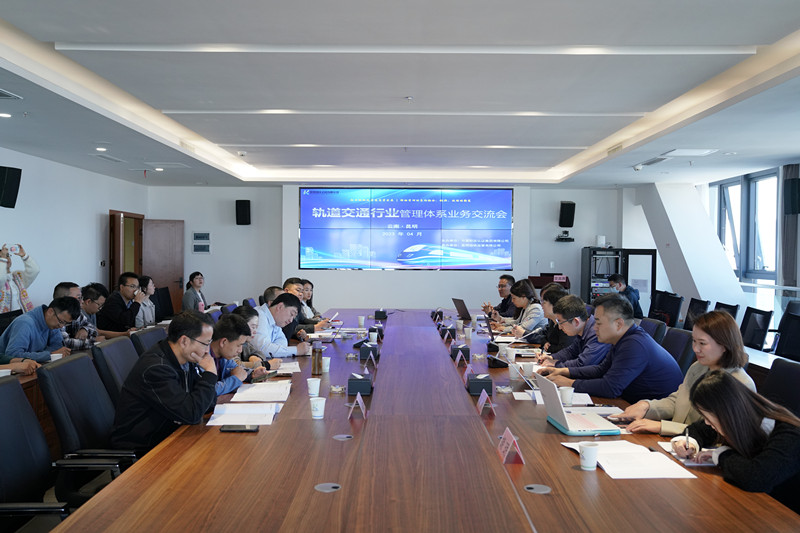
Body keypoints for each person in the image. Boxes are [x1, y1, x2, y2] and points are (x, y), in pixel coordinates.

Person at [672, 370, 800, 514]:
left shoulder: (790, 435)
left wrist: (721, 454)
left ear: (726, 411)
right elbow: (698, 429)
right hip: (753, 507)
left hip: (784, 515)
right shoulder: (740, 420)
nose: (706, 422)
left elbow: (756, 477)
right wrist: (687, 442)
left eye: (708, 417)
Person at [616, 311, 756, 435]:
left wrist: (662, 427)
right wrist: (647, 406)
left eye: (702, 343)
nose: (695, 349)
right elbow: (677, 401)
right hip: (676, 444)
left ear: (724, 345)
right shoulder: (698, 368)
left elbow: (716, 434)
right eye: (694, 341)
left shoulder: (741, 383)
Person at [539, 294, 683, 403]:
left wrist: (570, 383)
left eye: (598, 323)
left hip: (652, 414)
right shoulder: (622, 339)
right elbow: (600, 370)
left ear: (619, 324)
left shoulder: (634, 344)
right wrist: (562, 371)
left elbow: (610, 388)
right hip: (632, 403)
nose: (594, 328)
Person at [110, 311, 218, 454]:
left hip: (169, 437)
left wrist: (207, 378)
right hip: (143, 451)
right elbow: (191, 413)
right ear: (184, 341)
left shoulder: (185, 359)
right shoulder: (156, 369)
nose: (207, 351)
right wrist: (210, 374)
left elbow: (208, 403)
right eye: (205, 344)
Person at [538, 294, 610, 369]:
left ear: (576, 322)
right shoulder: (582, 330)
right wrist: (551, 357)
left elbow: (583, 364)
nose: (559, 327)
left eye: (561, 322)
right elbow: (570, 352)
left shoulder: (596, 333)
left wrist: (556, 364)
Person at [0, 296, 80, 363]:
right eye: (61, 322)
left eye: (66, 324)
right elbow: (13, 355)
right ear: (50, 312)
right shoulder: (25, 323)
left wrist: (44, 354)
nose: (61, 326)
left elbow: (57, 346)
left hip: (32, 365)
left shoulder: (53, 322)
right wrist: (48, 355)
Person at [210, 314, 269, 396]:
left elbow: (236, 370)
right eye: (238, 345)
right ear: (223, 342)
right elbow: (208, 391)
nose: (240, 350)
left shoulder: (224, 356)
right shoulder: (202, 358)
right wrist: (235, 379)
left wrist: (252, 374)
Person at [252, 292, 309, 358]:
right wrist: (296, 350)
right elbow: (262, 350)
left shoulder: (275, 319)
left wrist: (274, 349)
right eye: (291, 314)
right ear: (280, 307)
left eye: (293, 317)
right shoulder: (259, 316)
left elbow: (282, 341)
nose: (291, 320)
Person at [525, 285, 576, 353]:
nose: (541, 305)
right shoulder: (552, 321)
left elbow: (564, 350)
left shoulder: (566, 322)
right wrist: (545, 342)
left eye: (544, 302)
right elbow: (543, 336)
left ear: (555, 304)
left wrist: (549, 348)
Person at [231, 305, 281, 371]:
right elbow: (235, 365)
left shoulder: (245, 342)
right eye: (253, 327)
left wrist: (253, 356)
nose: (255, 331)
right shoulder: (231, 341)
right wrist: (266, 365)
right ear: (241, 325)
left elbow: (259, 352)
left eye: (256, 327)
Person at [64, 282, 108, 350]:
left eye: (81, 298)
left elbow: (93, 329)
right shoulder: (58, 317)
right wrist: (94, 341)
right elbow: (67, 343)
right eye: (79, 298)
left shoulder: (82, 314)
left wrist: (85, 329)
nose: (82, 301)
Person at [0, 243, 39, 313]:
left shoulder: (17, 276)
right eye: (2, 257)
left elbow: (35, 270)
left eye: (7, 255)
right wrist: (3, 259)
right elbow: (1, 279)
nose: (6, 258)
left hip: (22, 316)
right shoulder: (2, 279)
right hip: (4, 318)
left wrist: (24, 256)